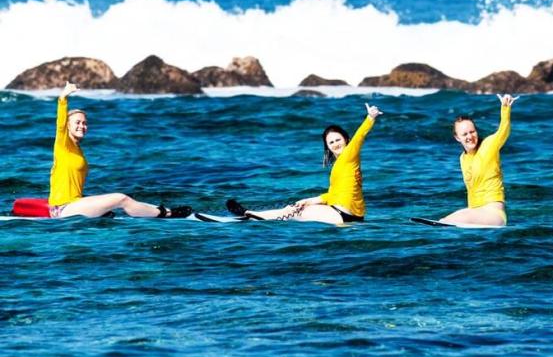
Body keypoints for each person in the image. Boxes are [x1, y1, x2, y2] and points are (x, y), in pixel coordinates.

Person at [48, 81, 191, 219]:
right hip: (63, 208)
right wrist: (63, 97)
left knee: (120, 201)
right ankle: (166, 214)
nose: (82, 126)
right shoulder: (62, 144)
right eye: (77, 122)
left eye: (85, 123)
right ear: (67, 126)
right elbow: (60, 124)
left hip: (75, 203)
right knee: (121, 198)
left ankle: (163, 210)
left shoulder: (77, 149)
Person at [227, 103, 382, 224]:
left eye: (338, 140)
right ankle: (254, 214)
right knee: (297, 207)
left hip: (343, 215)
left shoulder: (349, 154)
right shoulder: (342, 164)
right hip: (351, 217)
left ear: (346, 140)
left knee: (295, 213)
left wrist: (370, 118)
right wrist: (309, 200)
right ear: (327, 146)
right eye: (331, 142)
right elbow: (336, 194)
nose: (335, 144)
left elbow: (359, 138)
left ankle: (251, 215)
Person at [437, 94, 518, 226]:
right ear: (457, 138)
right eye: (465, 134)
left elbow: (504, 130)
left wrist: (505, 108)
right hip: (475, 215)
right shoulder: (463, 158)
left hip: (494, 214)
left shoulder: (489, 145)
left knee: (453, 218)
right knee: (452, 218)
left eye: (472, 131)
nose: (470, 136)